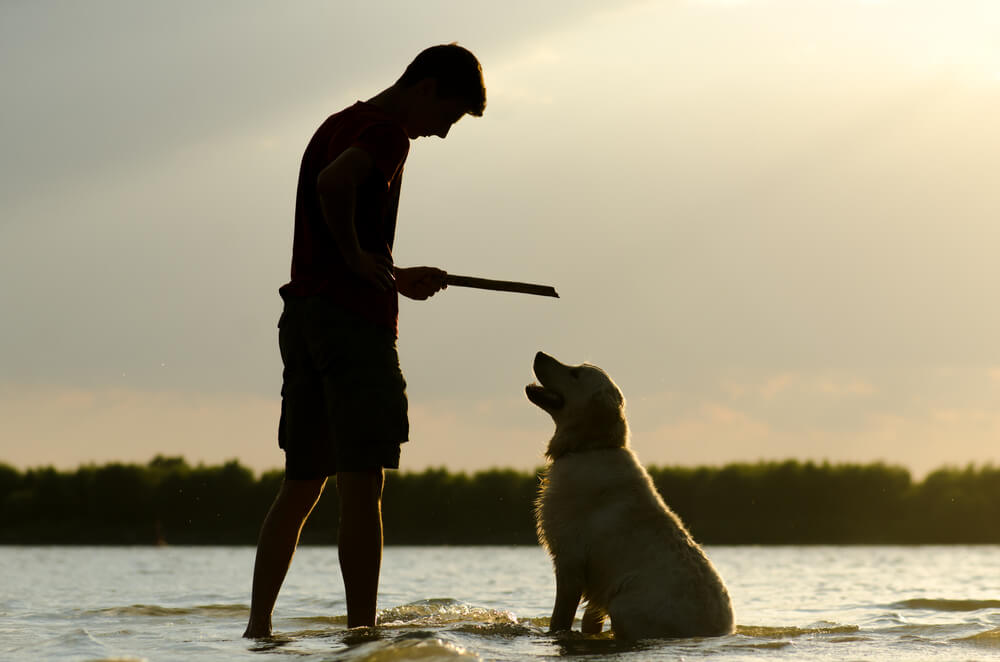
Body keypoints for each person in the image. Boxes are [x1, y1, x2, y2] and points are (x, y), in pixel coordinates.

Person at [243, 43, 486, 638]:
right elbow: (334, 184)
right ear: (426, 88)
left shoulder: (338, 123)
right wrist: (358, 258)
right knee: (363, 484)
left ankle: (258, 629)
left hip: (306, 318)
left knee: (301, 485)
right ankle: (362, 636)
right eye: (448, 116)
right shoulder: (387, 135)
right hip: (353, 327)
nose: (442, 132)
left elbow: (331, 233)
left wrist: (391, 274)